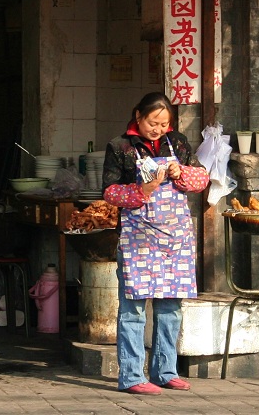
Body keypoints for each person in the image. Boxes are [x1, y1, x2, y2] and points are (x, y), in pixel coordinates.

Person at [101, 92, 209, 396]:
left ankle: (165, 371)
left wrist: (181, 172)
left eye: (164, 123)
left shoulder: (178, 143)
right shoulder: (120, 146)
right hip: (138, 239)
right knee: (133, 309)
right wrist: (142, 189)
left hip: (175, 240)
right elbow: (109, 192)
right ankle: (132, 376)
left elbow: (201, 181)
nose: (159, 129)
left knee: (170, 307)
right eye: (153, 122)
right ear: (138, 116)